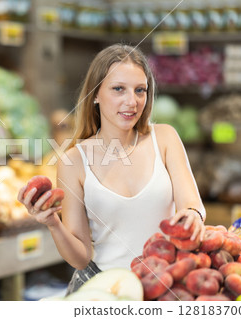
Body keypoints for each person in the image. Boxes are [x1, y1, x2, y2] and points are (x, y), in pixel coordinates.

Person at [17, 44, 206, 294]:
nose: (132, 101)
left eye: (140, 90)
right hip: (108, 292)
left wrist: (193, 215)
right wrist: (52, 222)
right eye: (119, 89)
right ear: (95, 94)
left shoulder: (165, 138)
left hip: (166, 287)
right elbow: (81, 258)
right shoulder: (73, 162)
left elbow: (192, 205)